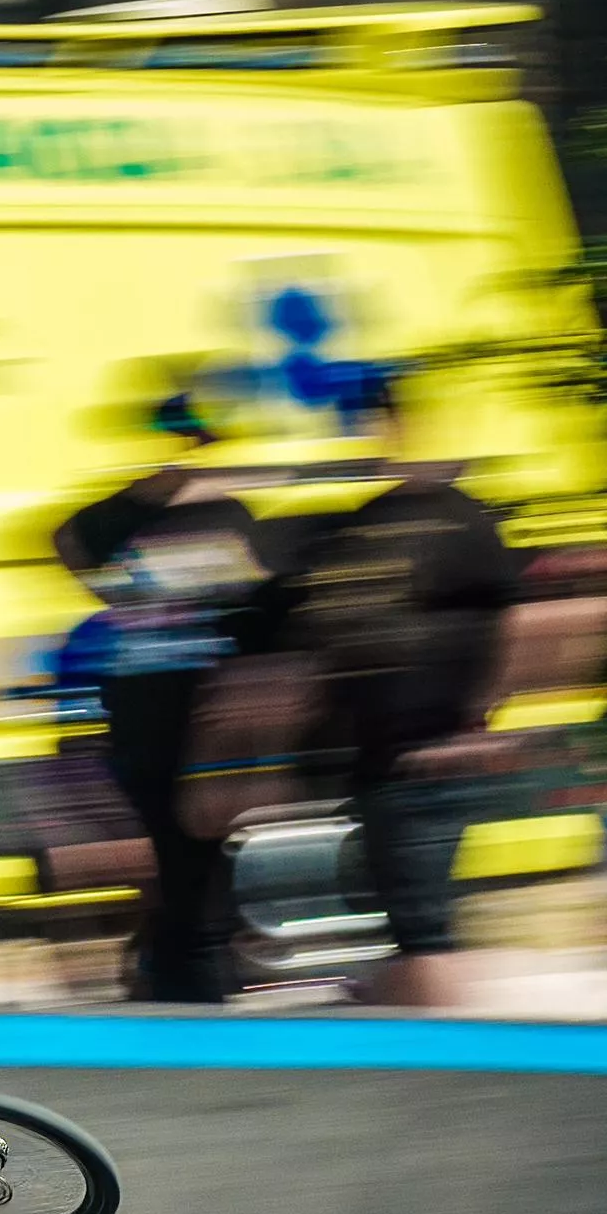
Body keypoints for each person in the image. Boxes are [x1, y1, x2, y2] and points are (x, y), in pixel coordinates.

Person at [243, 363, 514, 1006]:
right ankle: (440, 1051)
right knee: (406, 920)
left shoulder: (461, 521)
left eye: (386, 419)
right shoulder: (348, 530)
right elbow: (298, 635)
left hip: (434, 752)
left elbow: (524, 624)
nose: (375, 434)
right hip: (374, 761)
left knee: (422, 925)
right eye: (366, 421)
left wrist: (477, 725)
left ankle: (460, 1067)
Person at [49, 372, 264, 1003]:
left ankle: (175, 964)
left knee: (188, 850)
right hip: (168, 709)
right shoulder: (172, 512)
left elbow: (65, 540)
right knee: (187, 848)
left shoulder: (208, 511)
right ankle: (186, 969)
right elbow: (65, 539)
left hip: (177, 706)